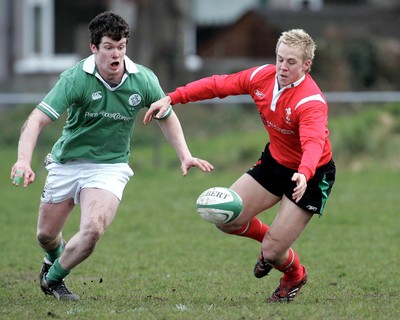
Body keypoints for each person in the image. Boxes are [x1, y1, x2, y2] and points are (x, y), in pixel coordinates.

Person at [10, 11, 213, 301]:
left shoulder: (142, 79)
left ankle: (53, 279)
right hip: (67, 163)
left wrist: (185, 155)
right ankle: (51, 259)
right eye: (108, 47)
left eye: (121, 47)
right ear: (94, 48)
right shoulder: (75, 79)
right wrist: (22, 160)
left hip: (109, 166)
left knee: (93, 229)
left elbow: (165, 115)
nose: (116, 54)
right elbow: (37, 119)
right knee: (45, 235)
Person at [144, 29, 336, 303]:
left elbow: (314, 144)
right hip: (274, 164)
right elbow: (218, 85)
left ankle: (294, 274)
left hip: (311, 175)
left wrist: (304, 174)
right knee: (225, 218)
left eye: (291, 62)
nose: (282, 66)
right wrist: (172, 97)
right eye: (280, 59)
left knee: (272, 253)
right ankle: (275, 239)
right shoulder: (262, 77)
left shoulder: (311, 102)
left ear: (306, 65)